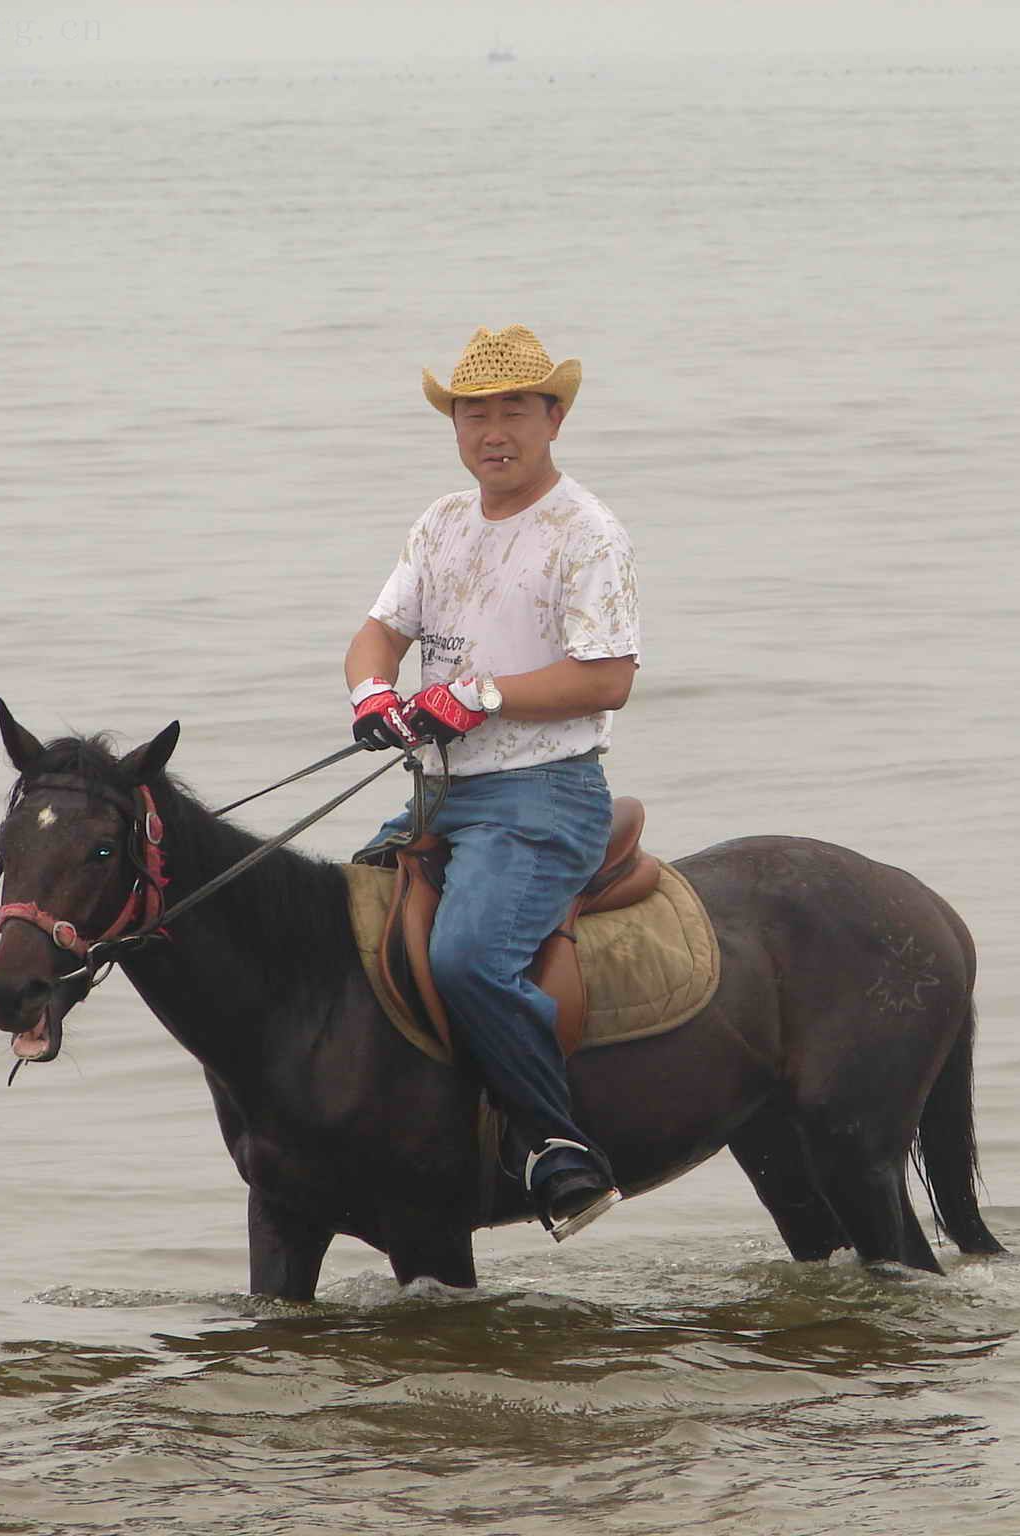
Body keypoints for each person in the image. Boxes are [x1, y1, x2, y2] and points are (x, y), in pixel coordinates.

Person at [344, 324, 639, 1240]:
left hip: (542, 796)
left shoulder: (586, 534)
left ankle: (558, 1146)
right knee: (338, 936)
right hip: (439, 797)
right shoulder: (440, 522)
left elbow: (608, 677)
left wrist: (480, 694)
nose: (493, 429)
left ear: (554, 418)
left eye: (515, 408)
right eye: (475, 412)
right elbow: (379, 632)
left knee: (467, 956)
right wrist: (372, 695)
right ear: (457, 426)